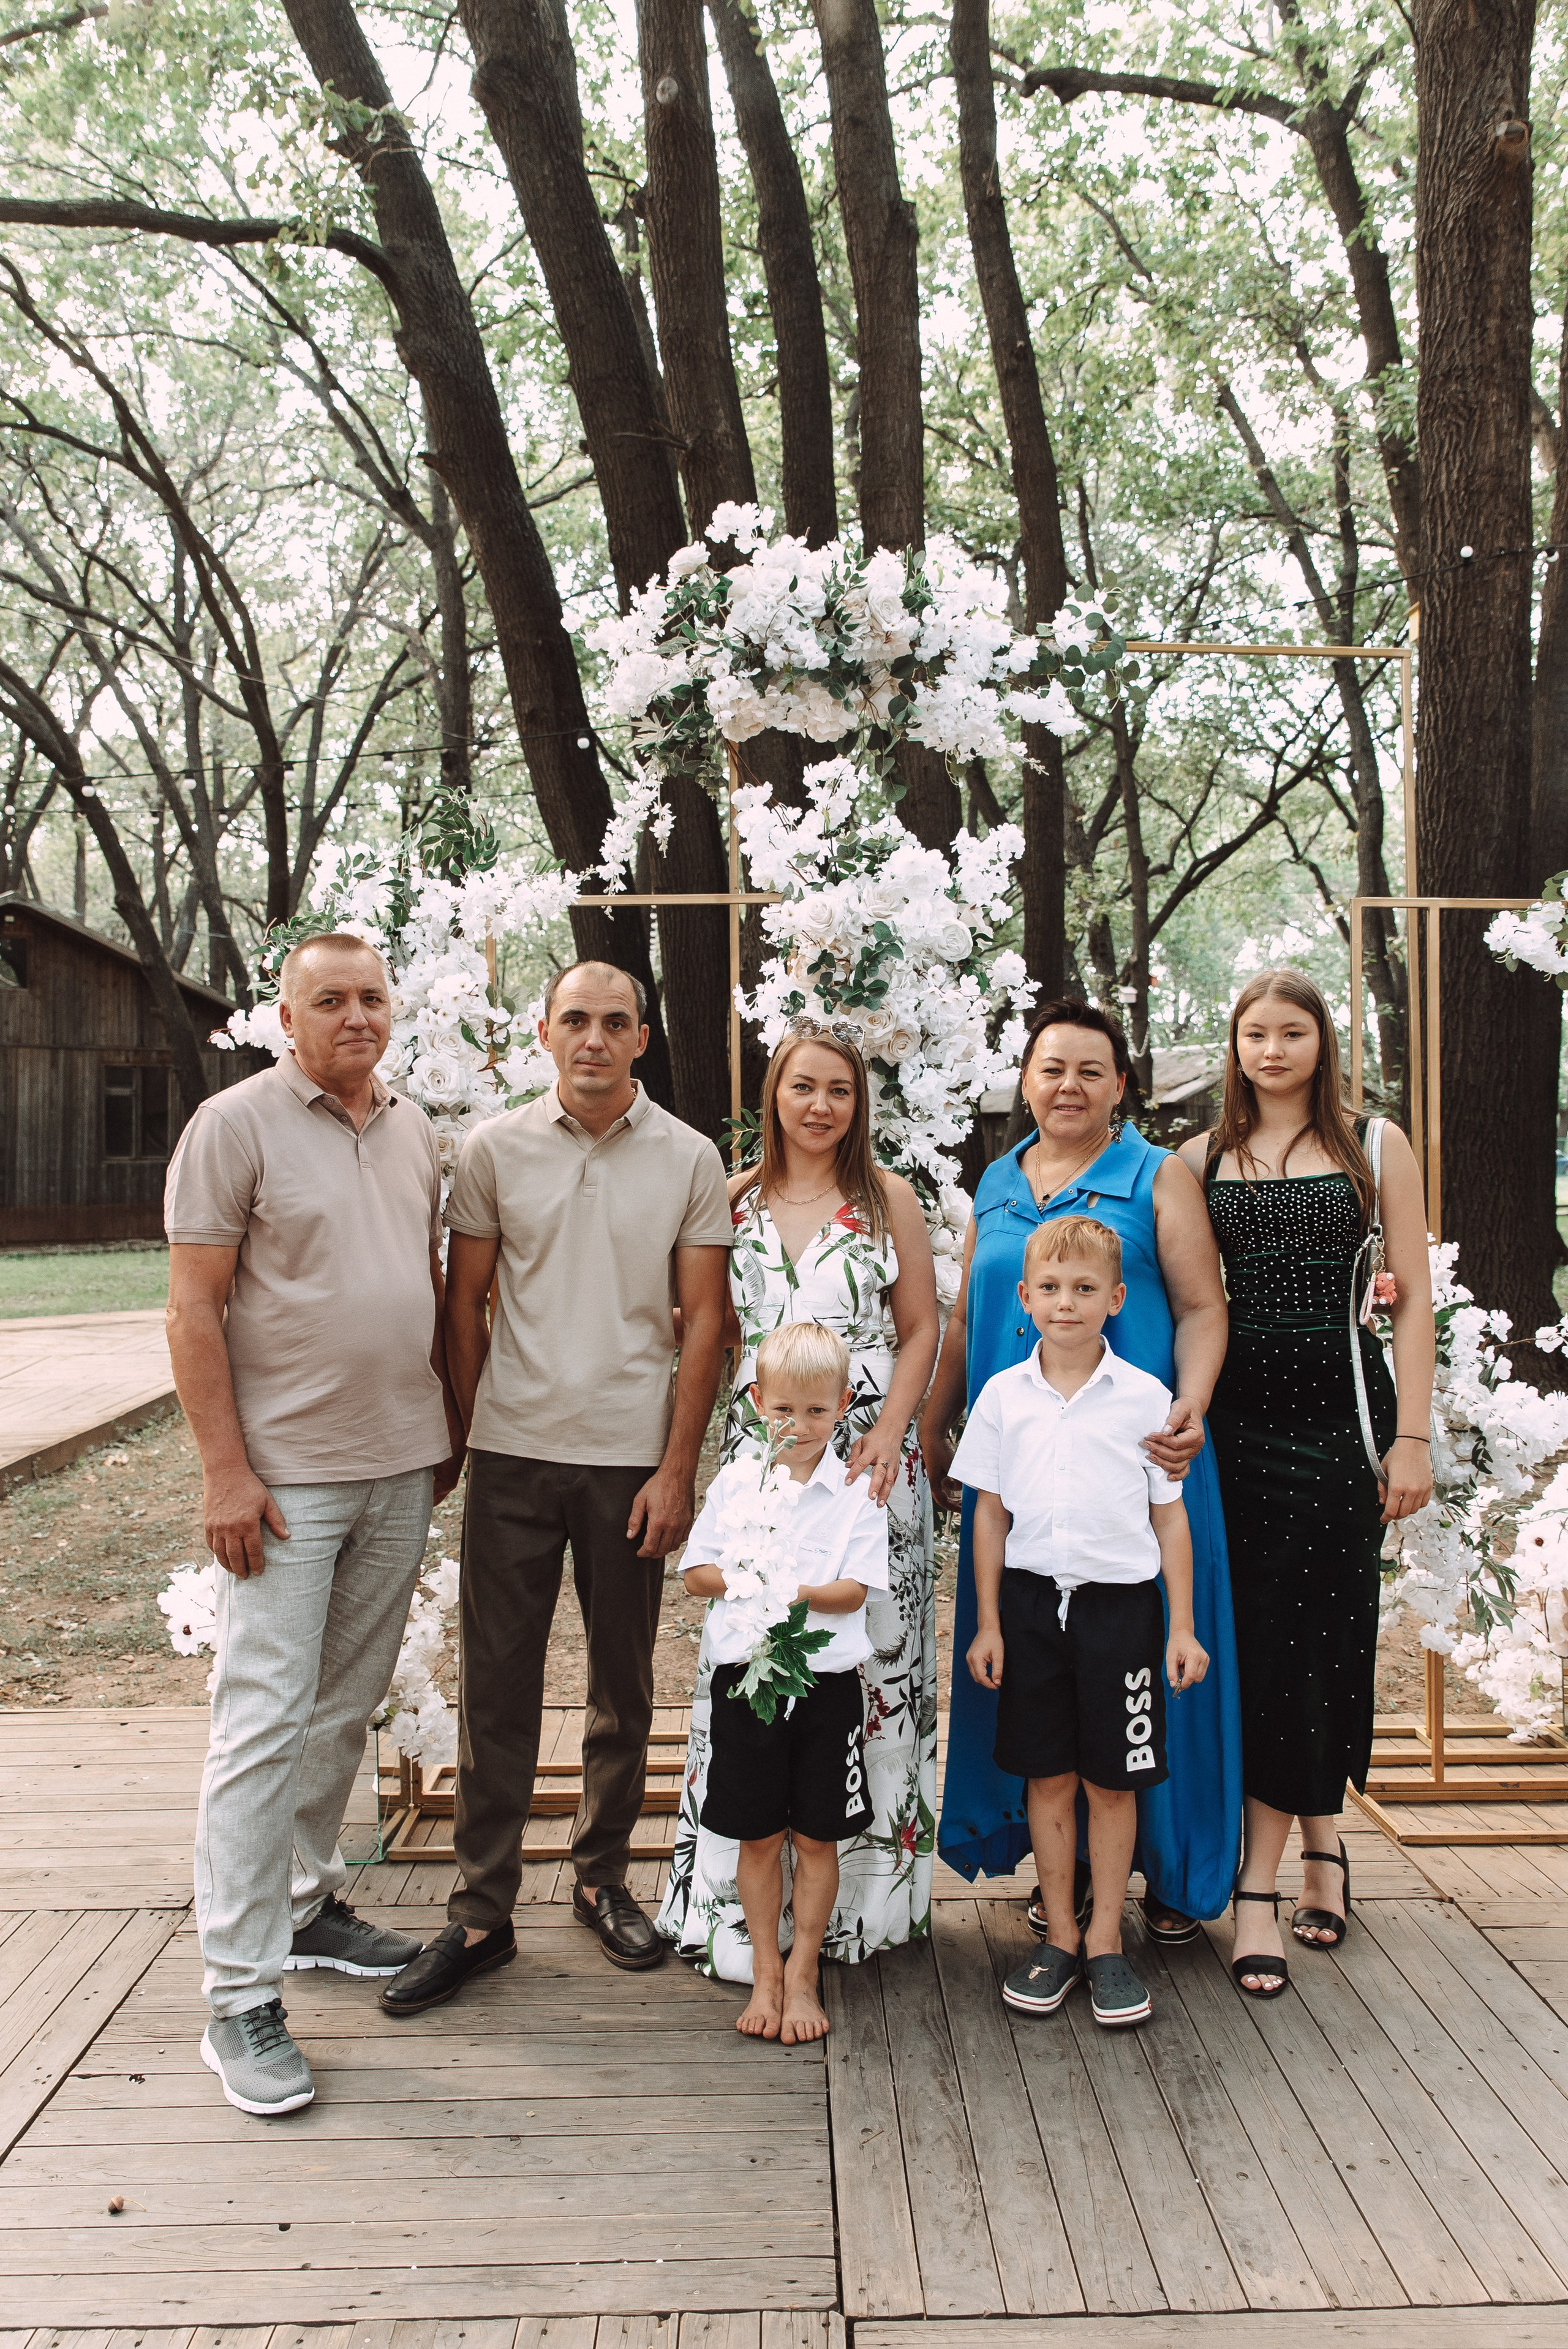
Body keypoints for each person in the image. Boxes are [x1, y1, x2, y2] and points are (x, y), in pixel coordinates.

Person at [380, 960, 731, 2015]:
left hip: (630, 1459)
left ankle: (600, 1878)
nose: (592, 1038)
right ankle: (482, 1910)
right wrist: (462, 1430)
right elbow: (466, 1301)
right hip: (516, 1453)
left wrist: (679, 1468)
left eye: (613, 1022)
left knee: (624, 1685)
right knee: (500, 1682)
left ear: (641, 1039)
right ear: (542, 1033)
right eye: (574, 1019)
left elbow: (706, 1320)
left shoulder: (690, 1157)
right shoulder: (492, 1150)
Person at [164, 933, 461, 2118]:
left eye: (372, 998)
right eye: (328, 1000)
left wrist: (439, 1434)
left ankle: (302, 1908)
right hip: (285, 1482)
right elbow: (193, 1308)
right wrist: (225, 1471)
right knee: (261, 1717)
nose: (354, 1016)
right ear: (285, 1017)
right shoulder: (232, 1128)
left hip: (400, 1466)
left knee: (344, 1702)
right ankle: (239, 1997)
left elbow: (420, 1287)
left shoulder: (413, 1129)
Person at [923, 998, 1242, 1936]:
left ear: (1121, 1085)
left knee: (1145, 1673)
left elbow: (1202, 1306)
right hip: (1021, 1477)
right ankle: (1057, 1870)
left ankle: (1166, 1870)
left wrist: (1191, 1405)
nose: (1069, 1085)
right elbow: (963, 1324)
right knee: (1035, 1670)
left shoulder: (1156, 1175)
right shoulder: (995, 1182)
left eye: (1091, 1070)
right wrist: (938, 1426)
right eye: (1051, 1067)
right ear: (1025, 1078)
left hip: (1139, 1463)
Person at [656, 1021, 940, 1979]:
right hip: (765, 1456)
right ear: (774, 1093)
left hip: (865, 1463)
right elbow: (703, 1323)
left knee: (861, 1688)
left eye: (842, 1092)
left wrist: (891, 1433)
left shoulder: (885, 1197)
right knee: (750, 1674)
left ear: (860, 1106)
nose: (821, 1105)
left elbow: (920, 1327)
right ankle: (737, 1919)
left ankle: (860, 1911)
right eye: (803, 1086)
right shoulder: (731, 1197)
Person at [1177, 968, 1434, 1998]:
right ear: (1234, 1047)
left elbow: (1409, 1301)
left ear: (1323, 1044)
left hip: (1342, 1421)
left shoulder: (1376, 1146)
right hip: (1239, 1429)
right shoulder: (1200, 1159)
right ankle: (1310, 1850)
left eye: (1292, 1033)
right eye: (1254, 1034)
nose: (1273, 1051)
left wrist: (1410, 1437)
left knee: (1326, 1636)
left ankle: (1265, 1887)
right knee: (1263, 1644)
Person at [955, 1217, 1208, 2025]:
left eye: (1086, 1288)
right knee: (1048, 1774)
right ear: (1026, 1297)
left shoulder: (1144, 1396)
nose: (1068, 1302)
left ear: (1116, 1298)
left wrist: (1182, 1626)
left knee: (1112, 1779)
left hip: (1120, 1613)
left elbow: (1170, 1520)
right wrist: (989, 1621)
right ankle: (1059, 1934)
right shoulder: (1003, 1395)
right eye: (1053, 1287)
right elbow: (988, 1515)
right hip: (1030, 1608)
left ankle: (1106, 1939)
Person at [680, 1321, 891, 2042]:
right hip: (748, 1685)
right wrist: (748, 1578)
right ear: (755, 1402)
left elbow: (853, 1591)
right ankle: (765, 1969)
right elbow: (695, 1574)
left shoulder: (855, 1493)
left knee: (818, 1838)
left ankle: (805, 1968)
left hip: (825, 1686)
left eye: (816, 1410)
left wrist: (784, 1589)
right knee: (759, 1837)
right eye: (782, 1410)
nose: (798, 1426)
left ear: (843, 1404)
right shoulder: (739, 1484)